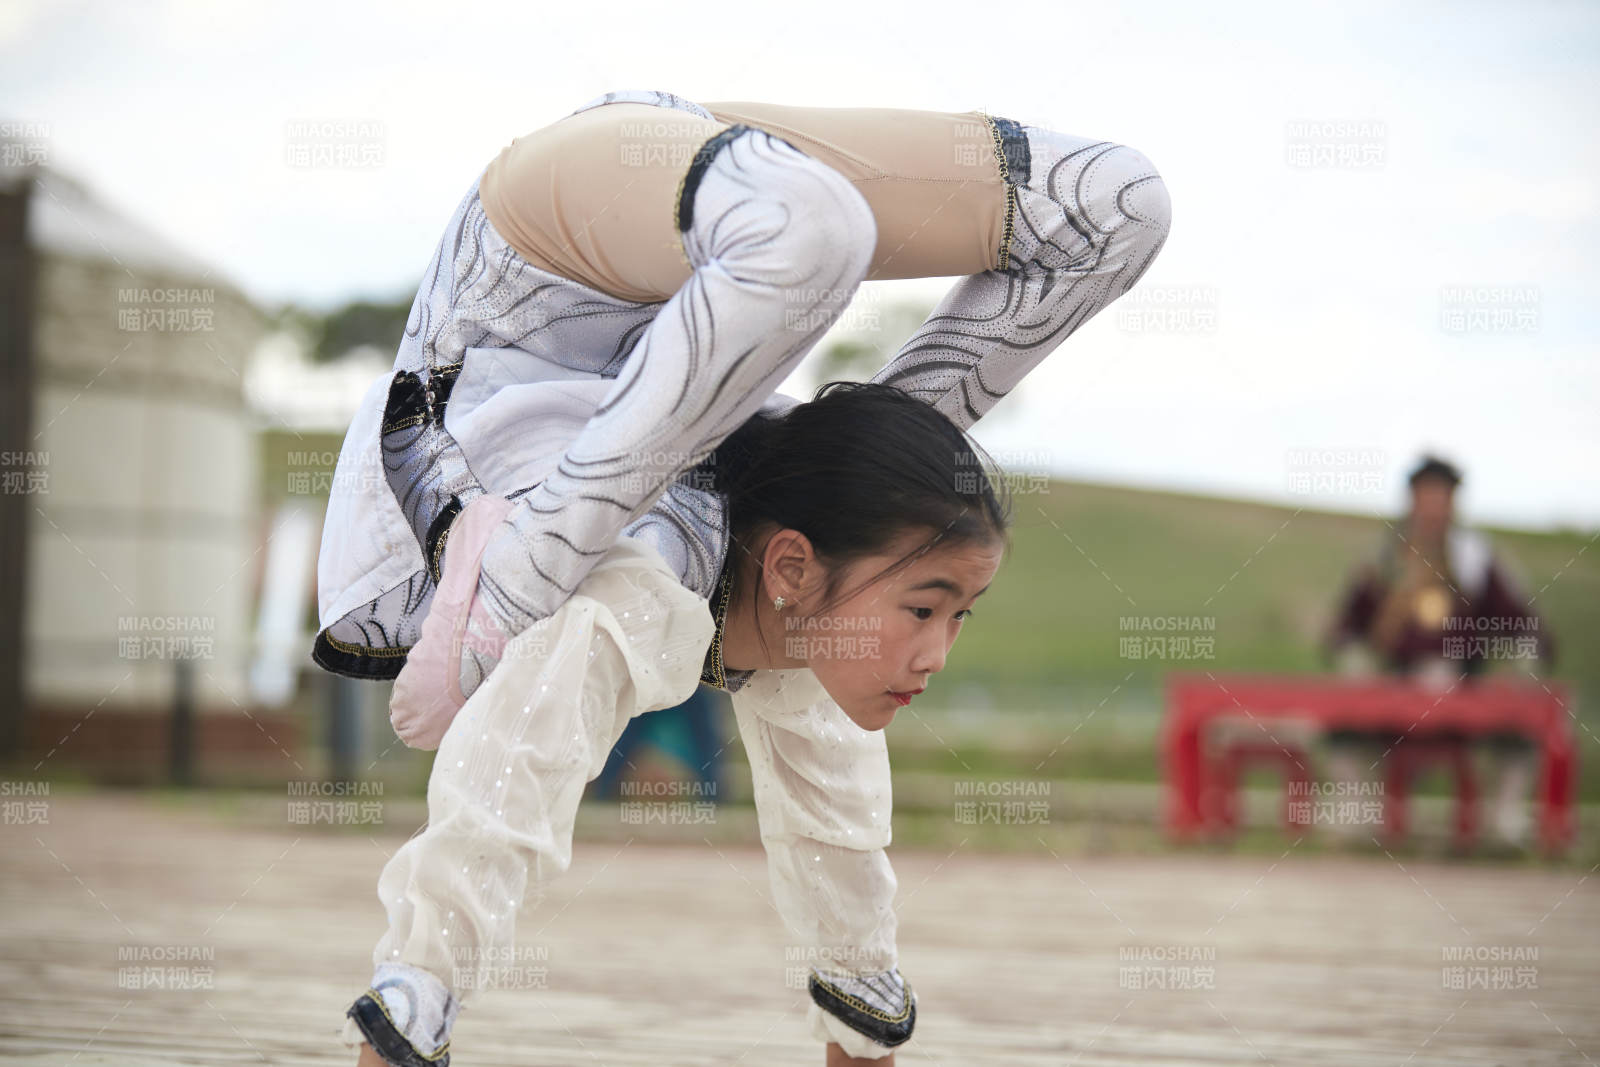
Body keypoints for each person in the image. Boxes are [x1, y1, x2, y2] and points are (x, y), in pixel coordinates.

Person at [312, 88, 1171, 1065]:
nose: (936, 653)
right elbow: (521, 757)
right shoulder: (645, 580)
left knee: (1119, 207)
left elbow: (835, 825)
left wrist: (862, 1023)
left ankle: (833, 469)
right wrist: (419, 985)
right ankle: (503, 585)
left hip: (701, 229)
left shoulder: (807, 613)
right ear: (794, 566)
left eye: (960, 614)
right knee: (823, 235)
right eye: (925, 607)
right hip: (547, 272)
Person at [1323, 454, 1557, 846]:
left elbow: (1521, 621)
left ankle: (1504, 825)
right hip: (1395, 684)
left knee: (1519, 728)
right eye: (1425, 495)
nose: (1433, 505)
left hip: (1464, 682)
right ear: (1411, 499)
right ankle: (1358, 819)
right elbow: (1348, 624)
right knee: (1345, 724)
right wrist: (1354, 657)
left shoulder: (1476, 557)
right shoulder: (1384, 557)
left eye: (1442, 496)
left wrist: (1524, 657)